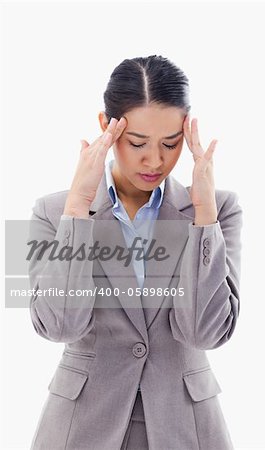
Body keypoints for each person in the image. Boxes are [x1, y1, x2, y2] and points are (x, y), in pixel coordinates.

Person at [28, 54, 243, 450]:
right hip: (81, 427)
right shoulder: (52, 210)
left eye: (171, 143)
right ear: (106, 128)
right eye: (138, 142)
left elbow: (205, 332)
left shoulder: (218, 210)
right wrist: (78, 207)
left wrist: (204, 218)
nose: (155, 160)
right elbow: (57, 327)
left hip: (187, 429)